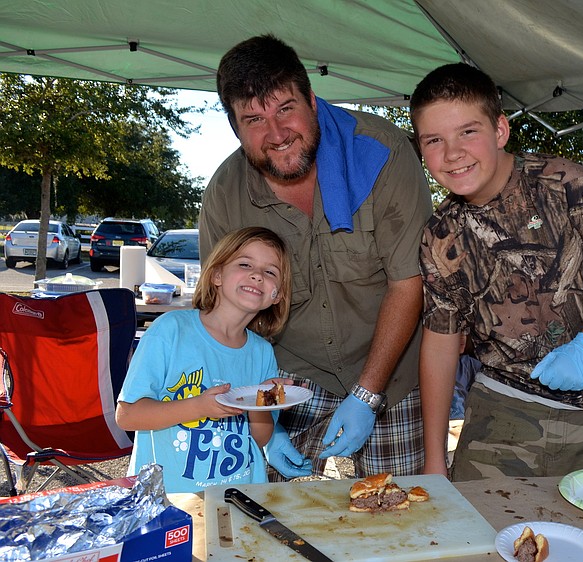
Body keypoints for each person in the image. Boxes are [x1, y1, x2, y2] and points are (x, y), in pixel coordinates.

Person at [409, 63, 583, 480]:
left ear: (500, 130)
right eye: (434, 140)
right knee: (485, 540)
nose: (452, 153)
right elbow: (440, 343)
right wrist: (434, 458)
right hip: (501, 413)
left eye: (468, 132)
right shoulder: (440, 235)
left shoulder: (565, 185)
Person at [199, 35, 433, 479]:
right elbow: (222, 316)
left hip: (394, 371)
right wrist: (260, 417)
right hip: (287, 380)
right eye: (253, 119)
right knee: (276, 526)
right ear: (234, 128)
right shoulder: (226, 195)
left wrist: (367, 395)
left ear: (310, 98)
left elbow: (409, 282)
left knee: (402, 523)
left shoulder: (383, 153)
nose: (276, 134)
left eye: (285, 108)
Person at [115, 226, 298, 492]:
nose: (257, 275)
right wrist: (199, 407)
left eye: (270, 272)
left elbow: (258, 439)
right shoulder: (171, 330)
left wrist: (263, 403)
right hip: (171, 498)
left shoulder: (262, 352)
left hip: (240, 496)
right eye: (245, 264)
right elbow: (128, 415)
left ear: (277, 295)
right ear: (216, 275)